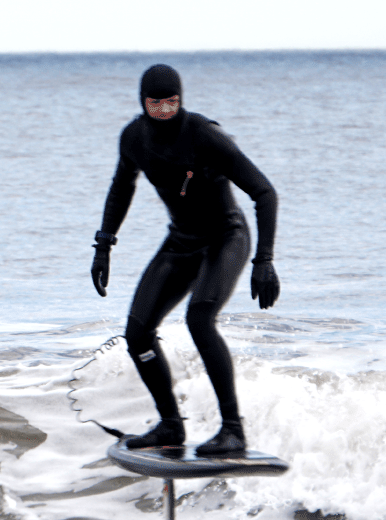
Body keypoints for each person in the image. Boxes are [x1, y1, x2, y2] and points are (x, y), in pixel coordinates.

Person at [90, 64, 279, 457]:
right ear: (143, 102)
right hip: (182, 242)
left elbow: (264, 192)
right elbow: (121, 186)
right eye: (156, 103)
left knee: (199, 318)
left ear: (181, 99)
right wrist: (104, 245)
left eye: (171, 102)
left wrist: (264, 261)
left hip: (226, 237)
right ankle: (170, 426)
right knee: (137, 334)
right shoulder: (134, 138)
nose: (164, 110)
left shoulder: (203, 135)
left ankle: (233, 431)